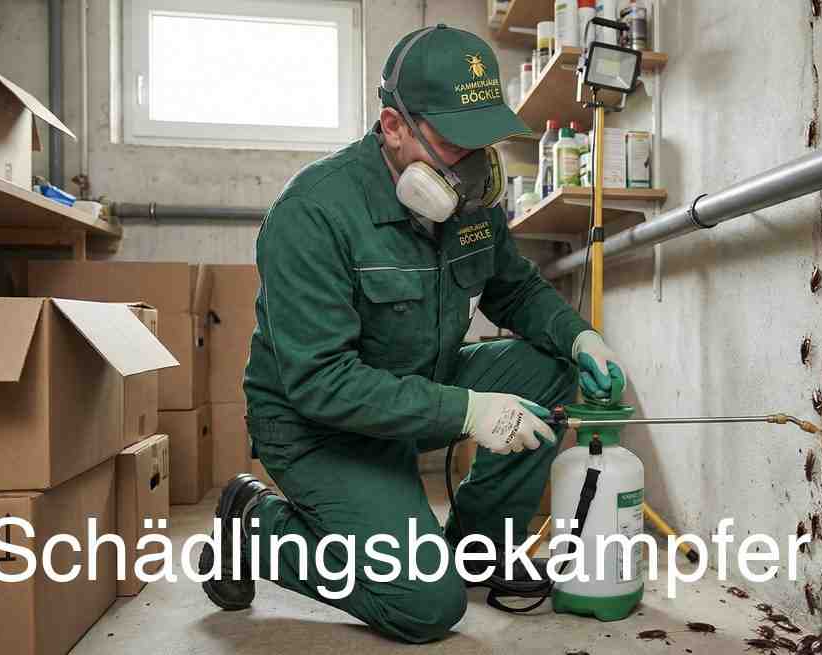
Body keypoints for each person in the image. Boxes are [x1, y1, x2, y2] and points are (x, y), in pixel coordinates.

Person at [197, 24, 628, 644]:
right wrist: (468, 410)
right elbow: (320, 382)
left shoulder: (470, 199)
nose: (475, 165)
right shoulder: (312, 214)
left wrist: (580, 338)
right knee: (425, 607)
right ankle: (254, 526)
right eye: (456, 144)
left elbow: (516, 288)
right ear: (394, 127)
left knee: (547, 367)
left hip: (418, 387)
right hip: (320, 428)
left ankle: (478, 550)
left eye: (485, 143)